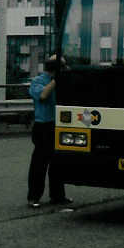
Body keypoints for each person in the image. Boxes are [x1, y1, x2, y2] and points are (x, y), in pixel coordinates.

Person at [27, 55, 71, 208]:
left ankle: (58, 196)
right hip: (43, 126)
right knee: (39, 163)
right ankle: (33, 197)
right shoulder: (37, 81)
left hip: (57, 124)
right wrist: (56, 80)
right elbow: (43, 95)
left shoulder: (61, 82)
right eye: (63, 67)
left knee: (58, 162)